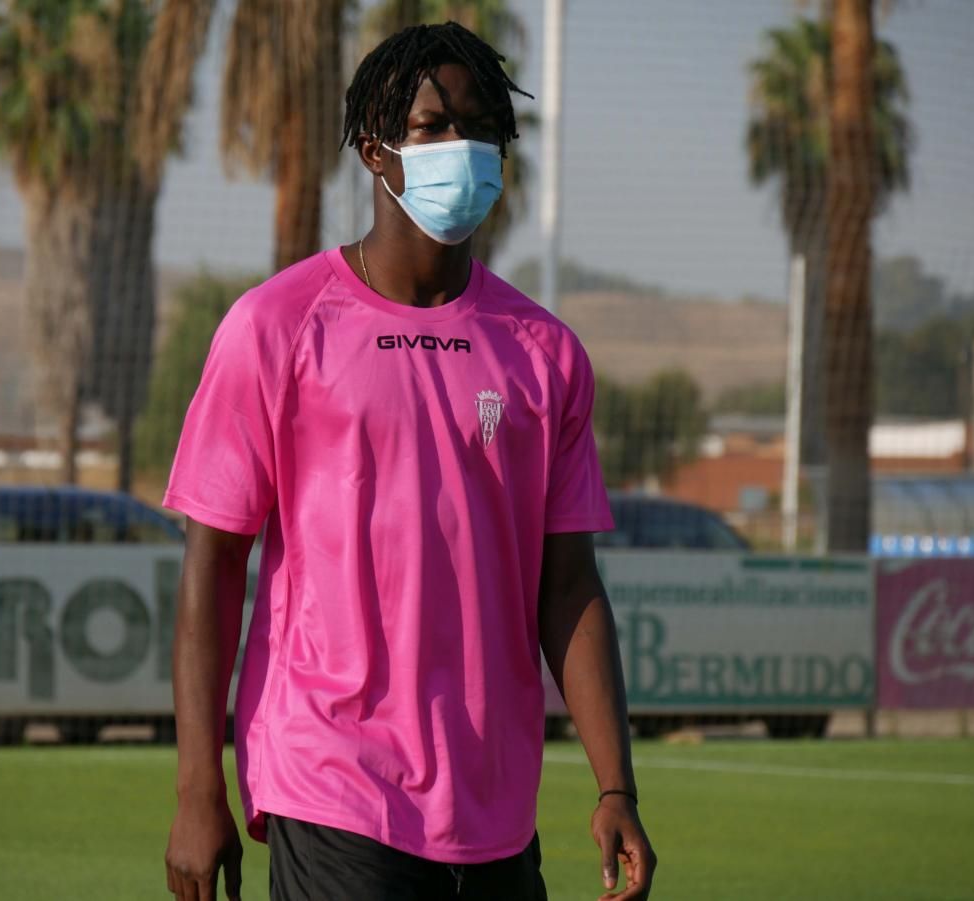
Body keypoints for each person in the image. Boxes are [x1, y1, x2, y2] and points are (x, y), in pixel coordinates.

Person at [162, 21, 655, 901]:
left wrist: (615, 782)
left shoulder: (545, 352)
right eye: (434, 127)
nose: (461, 147)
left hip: (496, 809)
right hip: (333, 786)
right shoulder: (275, 327)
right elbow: (213, 562)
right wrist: (199, 787)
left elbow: (570, 583)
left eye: (481, 127)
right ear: (373, 148)